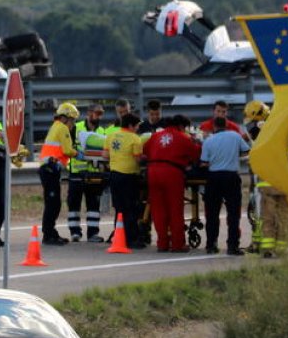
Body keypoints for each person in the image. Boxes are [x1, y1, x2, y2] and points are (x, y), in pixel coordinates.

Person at [143, 115, 201, 252]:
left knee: (158, 209)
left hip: (153, 172)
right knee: (175, 209)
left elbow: (145, 150)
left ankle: (162, 243)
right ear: (181, 126)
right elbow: (197, 153)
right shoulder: (183, 137)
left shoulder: (156, 136)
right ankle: (177, 244)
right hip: (172, 172)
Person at [200, 116, 250, 255]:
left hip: (214, 178)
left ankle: (211, 245)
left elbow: (204, 162)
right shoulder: (235, 136)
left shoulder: (208, 141)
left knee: (212, 214)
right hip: (231, 177)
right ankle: (232, 246)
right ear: (227, 125)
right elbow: (246, 151)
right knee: (233, 213)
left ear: (214, 127)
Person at [37, 103, 78, 245]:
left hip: (49, 168)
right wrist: (78, 153)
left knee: (52, 203)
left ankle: (50, 233)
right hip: (50, 169)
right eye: (72, 120)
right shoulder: (63, 128)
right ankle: (48, 235)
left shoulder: (55, 126)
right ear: (65, 118)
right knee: (53, 204)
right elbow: (67, 150)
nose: (73, 123)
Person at [68, 103, 108, 242]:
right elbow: (67, 147)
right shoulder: (76, 128)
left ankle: (92, 233)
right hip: (77, 172)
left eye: (101, 113)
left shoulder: (102, 131)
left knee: (93, 205)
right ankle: (75, 232)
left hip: (94, 173)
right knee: (74, 204)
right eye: (97, 113)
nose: (99, 116)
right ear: (89, 113)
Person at [104, 113, 144, 248]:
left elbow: (105, 155)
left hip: (114, 175)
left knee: (119, 208)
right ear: (131, 125)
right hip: (129, 177)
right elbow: (138, 159)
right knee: (131, 208)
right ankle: (131, 239)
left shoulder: (111, 136)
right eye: (137, 126)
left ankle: (118, 236)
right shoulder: (135, 139)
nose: (138, 128)